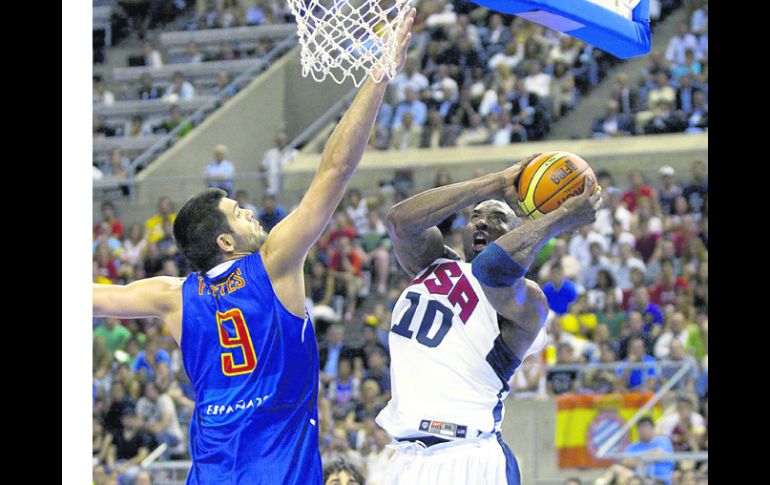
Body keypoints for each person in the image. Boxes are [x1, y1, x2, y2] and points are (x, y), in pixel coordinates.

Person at [92, 11, 416, 484]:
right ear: (225, 241)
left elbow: (91, 298)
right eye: (238, 212)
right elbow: (334, 170)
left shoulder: (171, 294)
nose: (250, 213)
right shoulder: (274, 263)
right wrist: (379, 73)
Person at [375, 154, 601, 483]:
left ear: (521, 234)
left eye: (497, 218)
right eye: (475, 216)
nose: (481, 222)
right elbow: (399, 220)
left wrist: (560, 216)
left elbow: (492, 269)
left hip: (466, 455)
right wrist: (496, 183)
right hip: (404, 455)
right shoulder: (434, 262)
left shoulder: (527, 300)